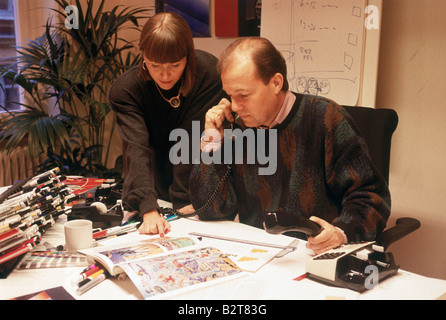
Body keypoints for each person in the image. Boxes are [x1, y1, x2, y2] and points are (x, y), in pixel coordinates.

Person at [189, 37, 391, 254]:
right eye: (230, 95)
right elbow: (208, 209)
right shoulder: (237, 127)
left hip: (314, 254)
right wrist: (212, 140)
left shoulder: (325, 119)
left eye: (244, 95)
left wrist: (342, 232)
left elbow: (372, 198)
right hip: (259, 253)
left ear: (276, 83)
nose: (235, 106)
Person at [110, 13, 225, 236]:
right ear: (143, 55)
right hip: (153, 178)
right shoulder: (126, 90)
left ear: (188, 57)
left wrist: (185, 202)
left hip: (197, 180)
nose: (164, 75)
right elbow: (136, 148)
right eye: (154, 65)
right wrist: (148, 208)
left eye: (175, 64)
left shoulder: (208, 74)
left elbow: (190, 139)